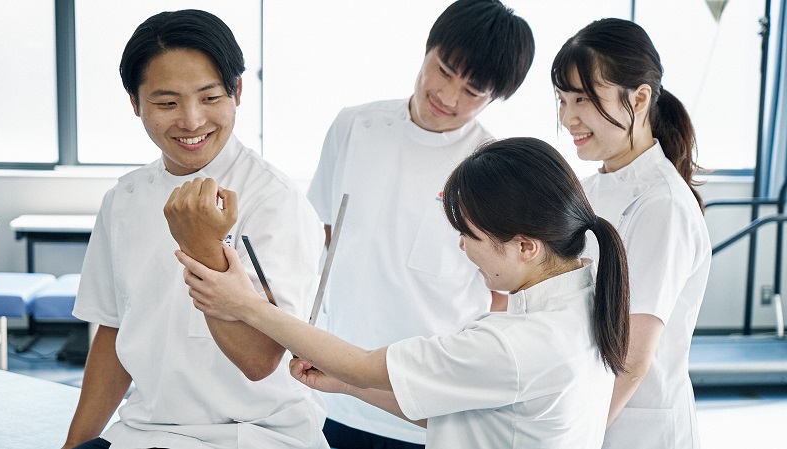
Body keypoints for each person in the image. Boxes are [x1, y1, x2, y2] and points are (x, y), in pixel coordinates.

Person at [173, 137, 631, 449]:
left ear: (526, 246)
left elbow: (363, 365)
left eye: (470, 235)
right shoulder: (585, 304)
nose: (462, 247)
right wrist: (346, 385)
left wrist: (246, 305)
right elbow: (466, 416)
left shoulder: (518, 345)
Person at [63, 10, 327, 449]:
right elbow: (114, 331)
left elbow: (260, 360)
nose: (191, 120)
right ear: (135, 103)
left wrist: (203, 247)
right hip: (145, 431)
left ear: (237, 92)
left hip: (255, 434)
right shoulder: (124, 198)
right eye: (166, 103)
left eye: (209, 97)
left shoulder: (274, 200)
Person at [305, 1, 535, 446]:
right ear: (428, 49)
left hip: (426, 409)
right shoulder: (354, 127)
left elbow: (502, 297)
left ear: (494, 98)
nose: (448, 96)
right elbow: (323, 239)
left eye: (472, 91)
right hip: (334, 392)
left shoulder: (493, 170)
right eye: (443, 70)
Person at [552, 18, 712, 449]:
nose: (568, 117)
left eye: (583, 98)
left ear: (639, 99)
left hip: (636, 428)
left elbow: (632, 359)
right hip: (590, 410)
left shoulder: (663, 205)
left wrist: (571, 439)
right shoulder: (587, 189)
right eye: (562, 99)